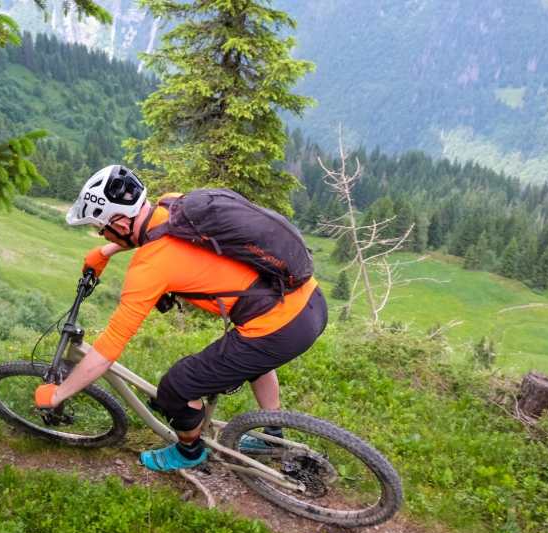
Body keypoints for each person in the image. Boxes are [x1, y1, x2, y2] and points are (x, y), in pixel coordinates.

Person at [34, 165, 328, 471]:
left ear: (120, 221)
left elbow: (106, 353)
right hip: (306, 299)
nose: (101, 233)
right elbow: (154, 232)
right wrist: (105, 251)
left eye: (102, 228)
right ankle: (273, 438)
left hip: (279, 328)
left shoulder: (148, 270)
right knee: (252, 358)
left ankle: (189, 453)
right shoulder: (172, 204)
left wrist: (57, 395)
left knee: (175, 388)